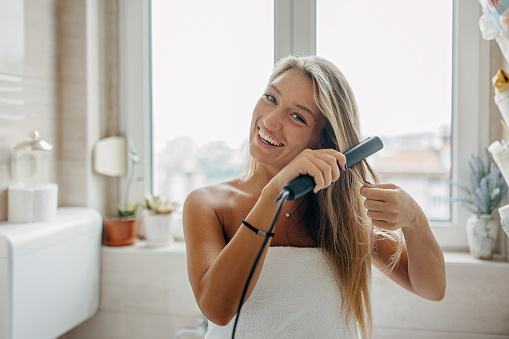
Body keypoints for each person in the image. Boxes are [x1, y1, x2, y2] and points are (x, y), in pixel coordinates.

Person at [183, 55, 446, 339]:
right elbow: (217, 309)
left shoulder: (345, 216)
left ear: (323, 142)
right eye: (271, 98)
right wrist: (273, 194)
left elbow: (431, 289)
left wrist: (416, 221)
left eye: (297, 116)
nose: (270, 121)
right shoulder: (208, 204)